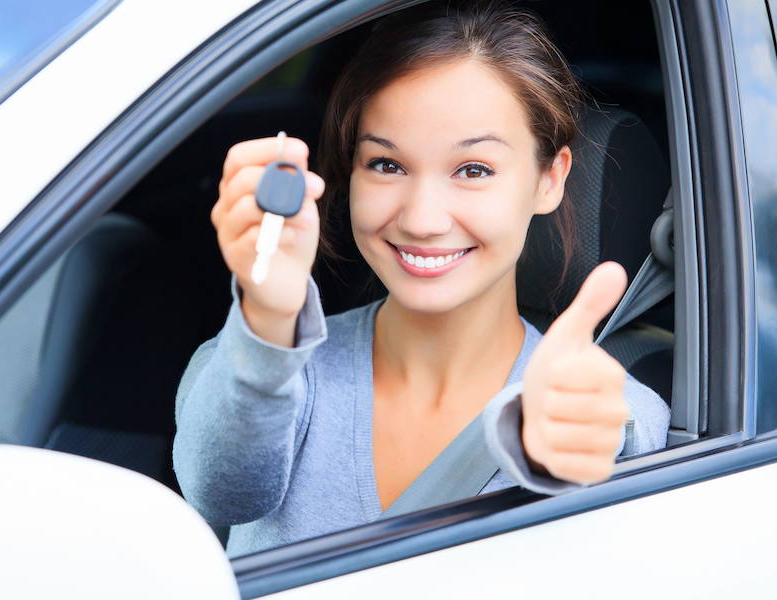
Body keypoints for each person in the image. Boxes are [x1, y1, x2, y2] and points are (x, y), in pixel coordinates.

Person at [173, 0, 670, 557]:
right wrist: (267, 319)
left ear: (548, 180)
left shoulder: (609, 405)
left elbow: (609, 433)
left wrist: (554, 443)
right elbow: (221, 493)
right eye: (387, 165)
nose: (421, 219)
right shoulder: (258, 366)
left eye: (473, 170)